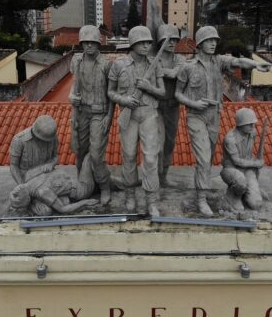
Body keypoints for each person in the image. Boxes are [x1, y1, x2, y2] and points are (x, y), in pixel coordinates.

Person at [175, 26, 271, 216]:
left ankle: (211, 191)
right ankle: (201, 199)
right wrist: (193, 102)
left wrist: (255, 65)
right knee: (203, 159)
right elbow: (177, 93)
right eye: (209, 41)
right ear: (200, 43)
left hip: (214, 116)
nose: (213, 44)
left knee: (208, 159)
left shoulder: (219, 62)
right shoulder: (188, 67)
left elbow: (236, 61)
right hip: (196, 116)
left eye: (215, 41)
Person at [108, 26, 165, 217]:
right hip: (129, 116)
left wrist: (149, 87)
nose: (146, 46)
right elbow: (110, 91)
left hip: (149, 115)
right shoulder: (119, 65)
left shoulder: (154, 64)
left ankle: (151, 201)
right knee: (129, 156)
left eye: (148, 42)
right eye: (142, 42)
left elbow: (163, 92)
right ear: (133, 44)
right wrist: (124, 100)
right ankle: (130, 194)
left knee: (150, 159)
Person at [69, 25, 114, 205]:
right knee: (79, 151)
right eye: (85, 42)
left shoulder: (106, 64)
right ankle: (84, 185)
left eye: (92, 42)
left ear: (98, 44)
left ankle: (104, 187)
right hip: (81, 113)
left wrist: (109, 117)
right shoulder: (76, 61)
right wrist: (71, 96)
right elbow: (74, 86)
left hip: (99, 114)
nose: (88, 46)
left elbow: (111, 94)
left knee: (96, 155)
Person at [156, 24, 186, 187]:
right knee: (158, 144)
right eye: (168, 39)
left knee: (169, 143)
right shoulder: (154, 58)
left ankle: (163, 177)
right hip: (156, 106)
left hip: (173, 106)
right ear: (161, 41)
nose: (172, 42)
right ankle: (155, 175)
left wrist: (161, 71)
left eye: (175, 39)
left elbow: (177, 74)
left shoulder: (180, 59)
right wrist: (166, 72)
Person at [220, 108, 264, 212]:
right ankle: (233, 196)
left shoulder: (252, 133)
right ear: (240, 124)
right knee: (240, 181)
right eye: (250, 124)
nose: (253, 126)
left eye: (253, 123)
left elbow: (250, 153)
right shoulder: (230, 139)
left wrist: (255, 163)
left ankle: (247, 192)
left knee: (256, 204)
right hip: (231, 169)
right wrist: (255, 163)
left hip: (247, 169)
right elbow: (236, 161)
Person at [9, 115, 59, 186]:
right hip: (27, 178)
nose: (44, 142)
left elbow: (55, 156)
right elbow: (13, 165)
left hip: (46, 174)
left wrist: (51, 164)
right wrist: (21, 185)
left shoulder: (52, 138)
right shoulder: (19, 140)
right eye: (42, 140)